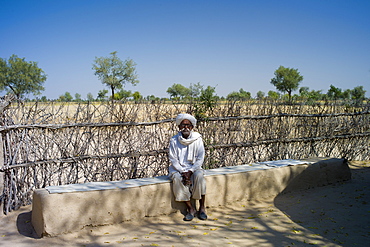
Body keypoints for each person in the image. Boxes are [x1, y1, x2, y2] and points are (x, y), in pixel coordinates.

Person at [168, 113, 207, 221]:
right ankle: (190, 209)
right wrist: (182, 171)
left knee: (199, 176)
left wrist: (191, 171)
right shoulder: (174, 140)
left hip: (194, 167)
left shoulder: (197, 138)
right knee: (177, 178)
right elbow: (173, 159)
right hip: (179, 168)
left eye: (188, 125)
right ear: (179, 127)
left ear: (192, 127)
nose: (185, 127)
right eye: (183, 125)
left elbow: (200, 158)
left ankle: (202, 208)